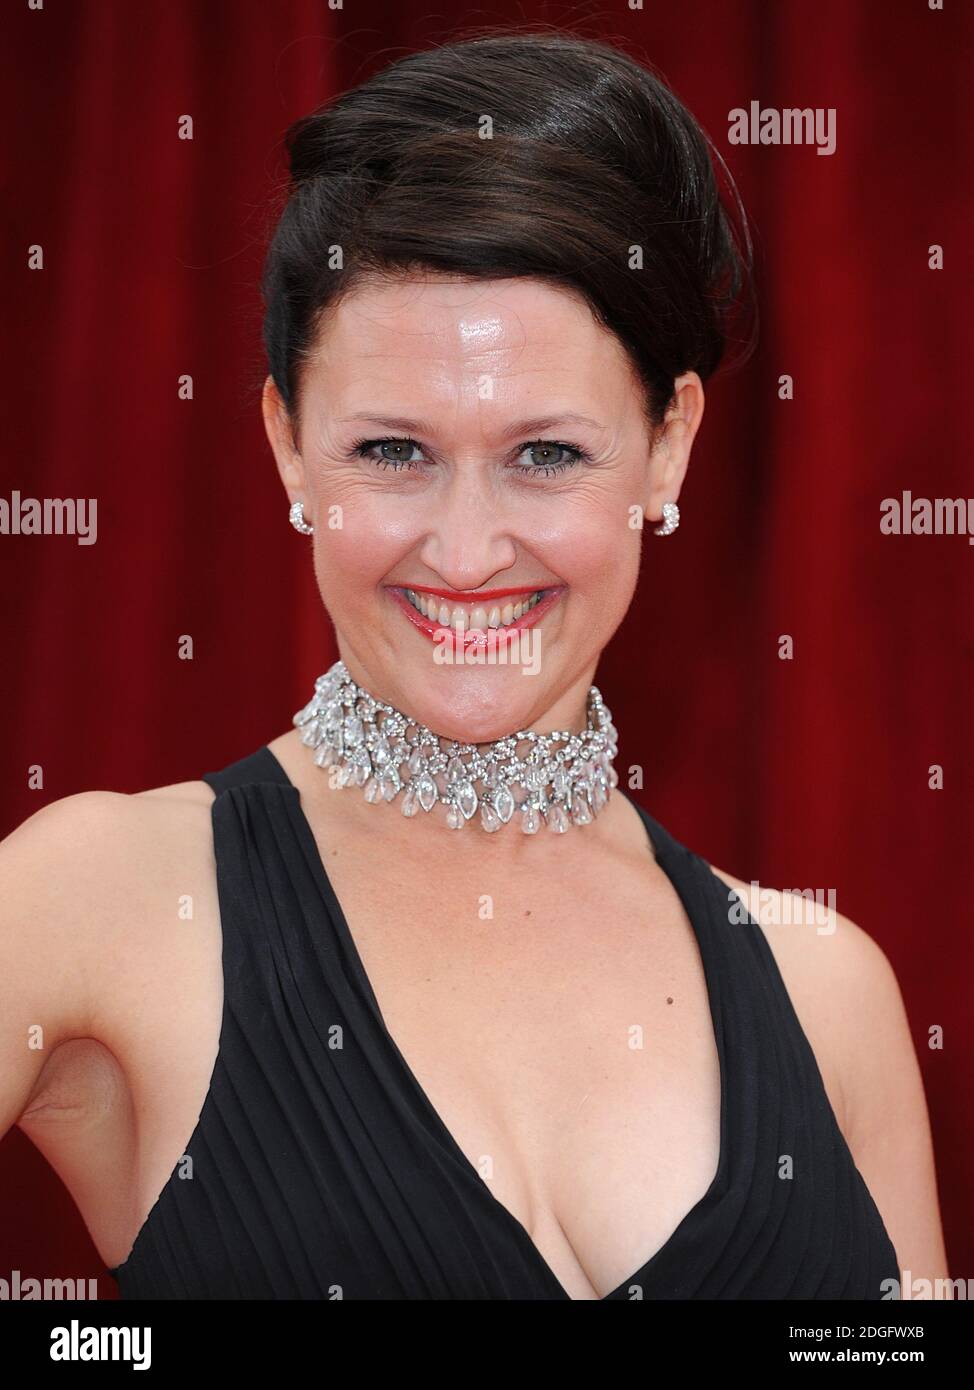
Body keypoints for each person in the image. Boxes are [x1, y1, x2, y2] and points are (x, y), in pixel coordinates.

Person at [0, 29, 949, 1300]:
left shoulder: (822, 987)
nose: (462, 551)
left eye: (545, 454)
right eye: (392, 451)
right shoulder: (97, 896)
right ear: (288, 446)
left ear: (666, 448)